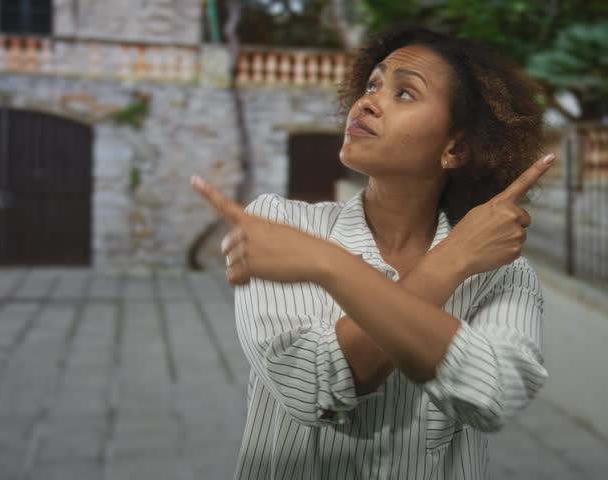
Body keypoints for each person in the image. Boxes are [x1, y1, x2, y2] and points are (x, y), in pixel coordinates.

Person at [192, 24, 555, 480]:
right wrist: (449, 261)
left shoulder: (504, 273)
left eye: (404, 93)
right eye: (372, 84)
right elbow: (310, 386)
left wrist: (325, 264)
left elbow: (493, 394)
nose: (367, 102)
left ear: (457, 147)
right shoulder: (281, 225)